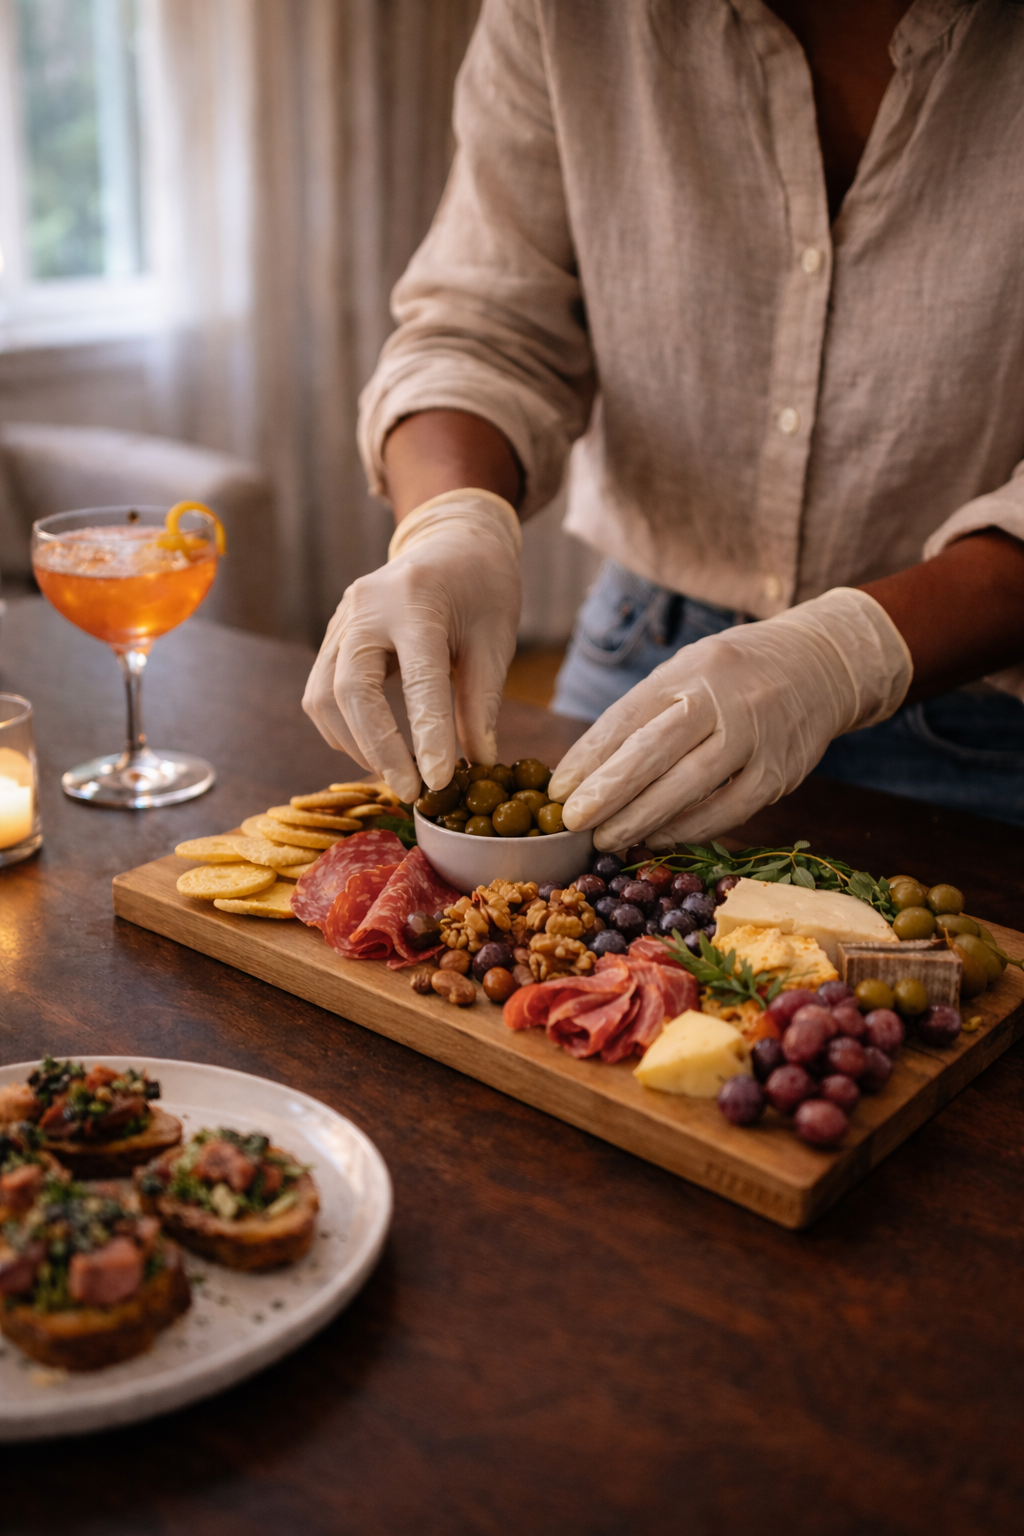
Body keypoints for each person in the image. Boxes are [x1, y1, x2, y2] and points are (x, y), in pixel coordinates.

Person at [303, 0, 1024, 851]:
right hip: (642, 647)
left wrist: (850, 652)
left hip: (984, 699)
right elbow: (481, 326)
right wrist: (448, 522)